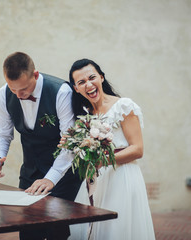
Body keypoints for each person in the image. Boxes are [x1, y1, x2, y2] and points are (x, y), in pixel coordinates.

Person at [0, 52, 82, 240]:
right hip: (30, 172)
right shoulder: (4, 93)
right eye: (12, 89)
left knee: (56, 230)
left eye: (23, 89)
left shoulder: (60, 92)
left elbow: (70, 143)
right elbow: (2, 133)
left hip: (62, 174)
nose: (18, 95)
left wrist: (51, 179)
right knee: (29, 230)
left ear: (36, 75)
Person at [66, 59, 155, 240]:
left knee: (116, 230)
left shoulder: (123, 106)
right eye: (81, 82)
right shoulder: (85, 115)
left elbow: (138, 149)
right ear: (76, 88)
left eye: (92, 78)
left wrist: (102, 161)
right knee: (89, 229)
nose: (88, 85)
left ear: (101, 77)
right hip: (96, 180)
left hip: (122, 177)